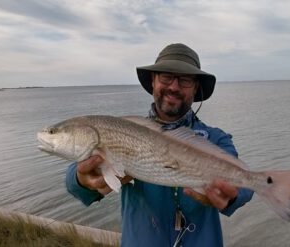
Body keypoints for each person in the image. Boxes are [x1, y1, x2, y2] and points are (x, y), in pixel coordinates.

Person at [64, 43, 254, 247]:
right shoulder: (125, 130)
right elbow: (75, 178)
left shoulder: (215, 138)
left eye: (185, 79)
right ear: (153, 81)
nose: (174, 86)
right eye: (165, 77)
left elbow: (244, 182)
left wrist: (233, 195)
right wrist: (81, 179)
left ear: (196, 88)